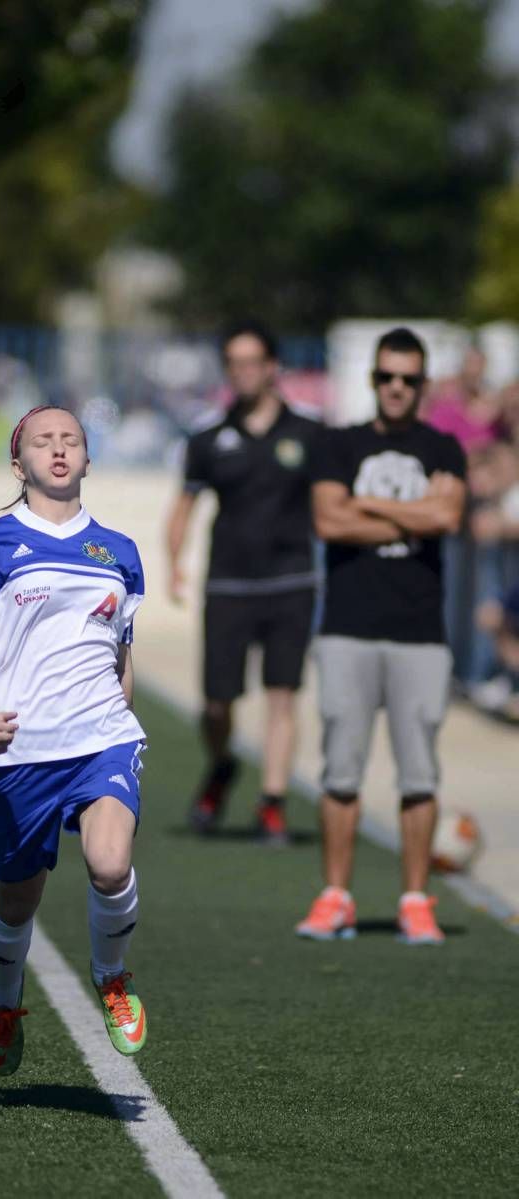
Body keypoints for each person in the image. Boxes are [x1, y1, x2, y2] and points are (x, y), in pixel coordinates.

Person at [0, 405, 147, 1075]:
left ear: (87, 459)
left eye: (71, 440)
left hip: (102, 737)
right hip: (22, 747)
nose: (58, 450)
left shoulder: (120, 551)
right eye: (43, 441)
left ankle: (111, 977)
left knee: (111, 863)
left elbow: (122, 650)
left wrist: (123, 706)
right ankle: (4, 1002)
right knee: (17, 894)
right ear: (18, 463)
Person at [297, 327, 466, 946]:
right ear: (372, 379)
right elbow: (326, 519)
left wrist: (365, 506)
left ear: (422, 384)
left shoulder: (444, 446)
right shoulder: (337, 444)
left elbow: (447, 516)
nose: (396, 388)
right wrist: (410, 511)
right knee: (340, 768)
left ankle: (415, 900)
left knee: (419, 773)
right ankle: (336, 895)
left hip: (421, 631)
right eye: (386, 377)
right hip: (348, 627)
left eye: (409, 379)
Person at [165, 318, 321, 841]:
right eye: (235, 363)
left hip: (291, 583)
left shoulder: (308, 434)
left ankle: (272, 802)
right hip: (228, 584)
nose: (245, 372)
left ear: (273, 367)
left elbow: (333, 505)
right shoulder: (209, 439)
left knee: (282, 696)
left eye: (254, 361)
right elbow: (183, 505)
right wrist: (174, 562)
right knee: (216, 703)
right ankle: (222, 764)